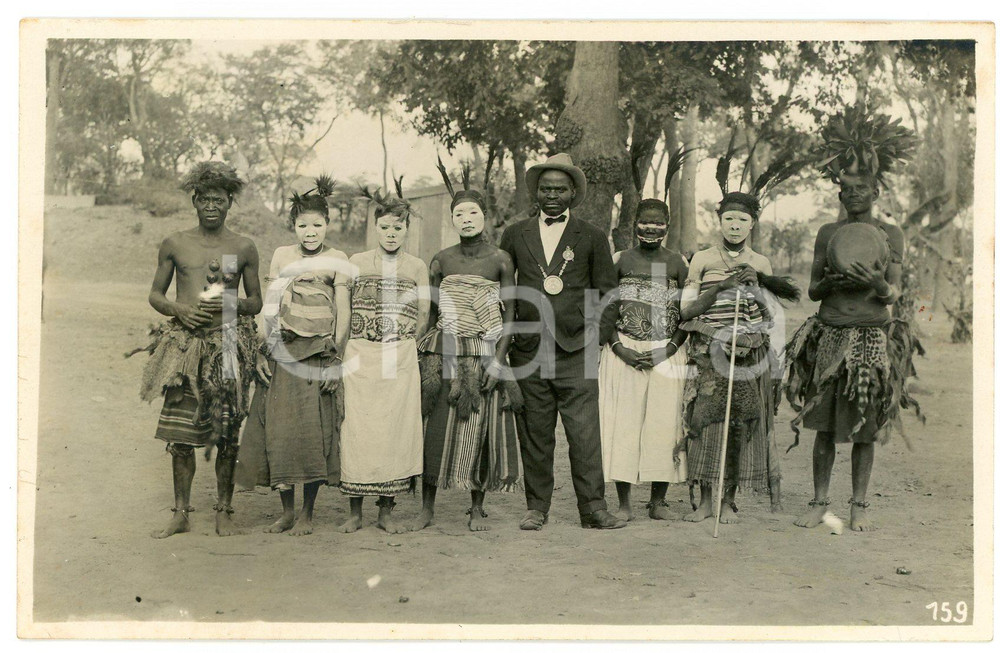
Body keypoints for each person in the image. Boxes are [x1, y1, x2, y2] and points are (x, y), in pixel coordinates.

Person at [786, 105, 921, 533]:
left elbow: (893, 294)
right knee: (823, 425)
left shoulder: (889, 234)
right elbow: (812, 291)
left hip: (870, 336)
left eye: (862, 188)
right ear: (839, 195)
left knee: (865, 425)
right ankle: (819, 503)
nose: (854, 194)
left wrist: (877, 283)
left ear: (875, 192)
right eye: (847, 189)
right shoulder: (829, 234)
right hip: (829, 333)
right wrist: (833, 280)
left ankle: (859, 504)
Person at [134, 161, 262, 538]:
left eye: (218, 199)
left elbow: (254, 301)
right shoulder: (175, 243)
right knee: (180, 434)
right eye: (204, 198)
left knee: (227, 431)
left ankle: (224, 511)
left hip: (226, 346)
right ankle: (180, 513)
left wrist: (229, 305)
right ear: (194, 201)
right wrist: (179, 309)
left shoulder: (242, 246)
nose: (211, 205)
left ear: (229, 204)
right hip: (184, 349)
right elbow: (155, 295)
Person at [499, 153, 626, 530]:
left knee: (585, 435)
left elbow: (607, 293)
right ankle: (537, 508)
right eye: (545, 189)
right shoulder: (515, 233)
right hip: (530, 350)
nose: (552, 195)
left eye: (560, 189)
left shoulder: (592, 235)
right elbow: (504, 291)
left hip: (578, 351)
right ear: (536, 194)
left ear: (573, 194)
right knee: (536, 434)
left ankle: (593, 509)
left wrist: (597, 340)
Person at [679, 148, 800, 525]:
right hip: (706, 353)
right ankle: (702, 500)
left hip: (746, 355)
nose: (734, 226)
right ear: (719, 221)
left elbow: (769, 317)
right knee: (703, 422)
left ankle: (728, 499)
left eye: (742, 220)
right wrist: (721, 290)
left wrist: (754, 289)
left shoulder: (760, 263)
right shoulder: (700, 260)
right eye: (729, 218)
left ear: (752, 225)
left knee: (738, 424)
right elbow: (686, 312)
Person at [235, 176, 351, 535]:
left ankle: (307, 513)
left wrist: (336, 359)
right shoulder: (283, 256)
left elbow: (343, 313)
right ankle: (286, 511)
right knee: (281, 432)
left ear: (327, 225)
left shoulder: (338, 259)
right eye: (303, 225)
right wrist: (262, 350)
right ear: (293, 226)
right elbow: (269, 308)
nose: (310, 231)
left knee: (313, 432)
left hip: (319, 353)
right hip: (282, 352)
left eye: (317, 224)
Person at [413, 162, 522, 532]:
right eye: (459, 214)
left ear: (484, 217)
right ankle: (427, 507)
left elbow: (511, 315)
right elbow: (430, 312)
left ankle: (476, 507)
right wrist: (421, 354)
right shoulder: (441, 259)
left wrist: (499, 362)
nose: (466, 219)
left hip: (484, 349)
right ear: (452, 220)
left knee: (480, 427)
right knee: (436, 426)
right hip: (444, 348)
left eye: (472, 212)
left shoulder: (500, 259)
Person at [599, 150, 691, 522]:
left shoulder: (678, 263)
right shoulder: (620, 259)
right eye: (645, 222)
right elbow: (605, 309)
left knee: (663, 424)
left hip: (666, 354)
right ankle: (623, 501)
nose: (650, 229)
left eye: (658, 223)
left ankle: (657, 501)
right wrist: (619, 347)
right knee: (623, 423)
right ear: (634, 223)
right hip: (623, 351)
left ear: (667, 225)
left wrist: (666, 350)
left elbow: (686, 316)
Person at [337, 180, 430, 535]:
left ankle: (386, 512)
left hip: (399, 356)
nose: (391, 233)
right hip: (360, 353)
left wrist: (407, 346)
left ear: (407, 229)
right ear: (375, 227)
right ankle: (355, 512)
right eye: (385, 227)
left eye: (398, 227)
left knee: (394, 431)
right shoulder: (356, 262)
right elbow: (343, 311)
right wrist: (343, 347)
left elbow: (423, 315)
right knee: (358, 429)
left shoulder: (417, 266)